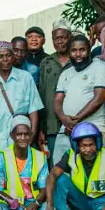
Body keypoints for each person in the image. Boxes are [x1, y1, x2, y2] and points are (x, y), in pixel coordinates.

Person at [0, 41, 43, 157]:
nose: (5, 59)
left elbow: (33, 108)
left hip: (19, 140)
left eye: (8, 55)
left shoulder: (25, 78)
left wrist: (32, 135)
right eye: (0, 56)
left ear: (13, 57)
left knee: (18, 172)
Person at [53, 34, 105, 162]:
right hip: (66, 128)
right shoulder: (66, 73)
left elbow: (99, 98)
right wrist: (63, 119)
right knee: (60, 168)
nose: (78, 54)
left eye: (82, 50)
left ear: (89, 49)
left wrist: (76, 121)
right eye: (74, 50)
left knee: (91, 170)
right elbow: (57, 100)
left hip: (93, 128)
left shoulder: (99, 68)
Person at [37, 20, 73, 159]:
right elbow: (41, 96)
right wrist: (41, 128)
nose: (60, 42)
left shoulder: (78, 60)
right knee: (56, 166)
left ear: (70, 37)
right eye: (56, 39)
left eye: (63, 38)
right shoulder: (46, 63)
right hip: (51, 126)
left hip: (74, 123)